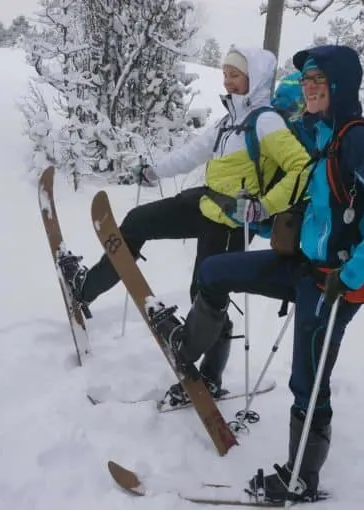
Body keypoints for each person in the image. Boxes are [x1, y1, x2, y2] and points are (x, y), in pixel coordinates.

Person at [168, 45, 364, 502]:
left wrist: (351, 274)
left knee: (308, 377)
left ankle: (301, 477)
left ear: (339, 87)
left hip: (333, 283)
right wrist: (257, 217)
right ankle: (187, 350)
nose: (312, 89)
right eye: (308, 82)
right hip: (302, 267)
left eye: (320, 81)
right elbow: (309, 203)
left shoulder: (355, 139)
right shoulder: (320, 137)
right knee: (216, 273)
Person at [58, 46, 312, 404]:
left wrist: (263, 207)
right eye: (225, 72)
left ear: (254, 79)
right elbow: (192, 152)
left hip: (230, 222)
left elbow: (303, 167)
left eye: (235, 74)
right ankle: (87, 288)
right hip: (206, 201)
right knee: (137, 222)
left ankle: (209, 378)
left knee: (207, 298)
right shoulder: (229, 121)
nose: (227, 80)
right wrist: (153, 170)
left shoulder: (266, 121)